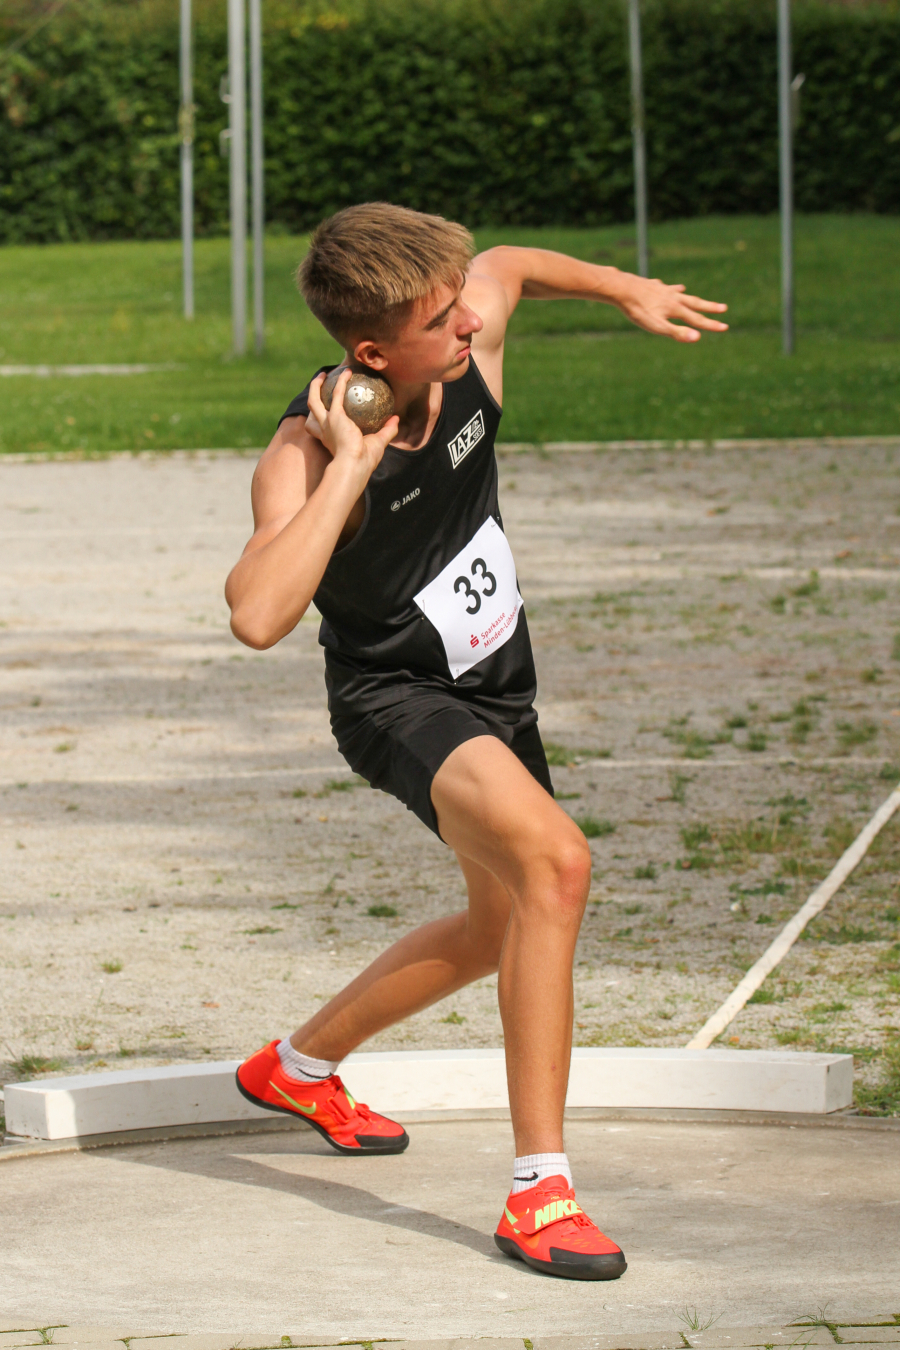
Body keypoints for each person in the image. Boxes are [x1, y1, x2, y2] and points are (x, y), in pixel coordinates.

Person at [226, 202, 727, 1280]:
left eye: (463, 310)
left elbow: (508, 263)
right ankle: (539, 1197)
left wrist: (619, 286)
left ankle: (299, 1066)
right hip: (397, 698)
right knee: (558, 866)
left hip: (496, 689)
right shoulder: (303, 459)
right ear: (370, 353)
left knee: (502, 923)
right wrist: (353, 465)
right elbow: (259, 613)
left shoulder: (465, 343)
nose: (468, 324)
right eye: (442, 317)